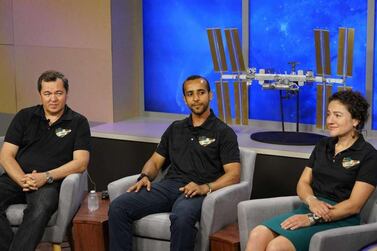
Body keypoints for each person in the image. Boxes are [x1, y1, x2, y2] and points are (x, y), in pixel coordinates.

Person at [108, 75, 241, 251]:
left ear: (210, 95)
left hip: (198, 190)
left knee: (182, 217)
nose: (195, 98)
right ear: (185, 99)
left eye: (201, 93)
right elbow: (155, 161)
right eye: (190, 94)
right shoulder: (175, 128)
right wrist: (145, 176)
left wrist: (205, 187)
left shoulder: (224, 132)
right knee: (119, 206)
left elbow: (234, 174)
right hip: (170, 186)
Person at [245, 90, 377, 251]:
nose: (330, 120)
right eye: (328, 114)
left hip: (341, 217)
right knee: (257, 234)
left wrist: (312, 219)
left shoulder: (368, 155)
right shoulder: (323, 145)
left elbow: (354, 205)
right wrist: (311, 200)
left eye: (337, 115)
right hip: (311, 207)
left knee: (276, 247)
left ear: (356, 120)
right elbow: (303, 182)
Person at [0, 70, 91, 251]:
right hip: (16, 178)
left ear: (66, 93)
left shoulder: (78, 122)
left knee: (40, 209)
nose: (53, 99)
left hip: (50, 183)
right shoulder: (24, 116)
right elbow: (6, 154)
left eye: (58, 93)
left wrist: (45, 177)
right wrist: (21, 179)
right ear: (40, 94)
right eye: (47, 93)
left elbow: (81, 162)